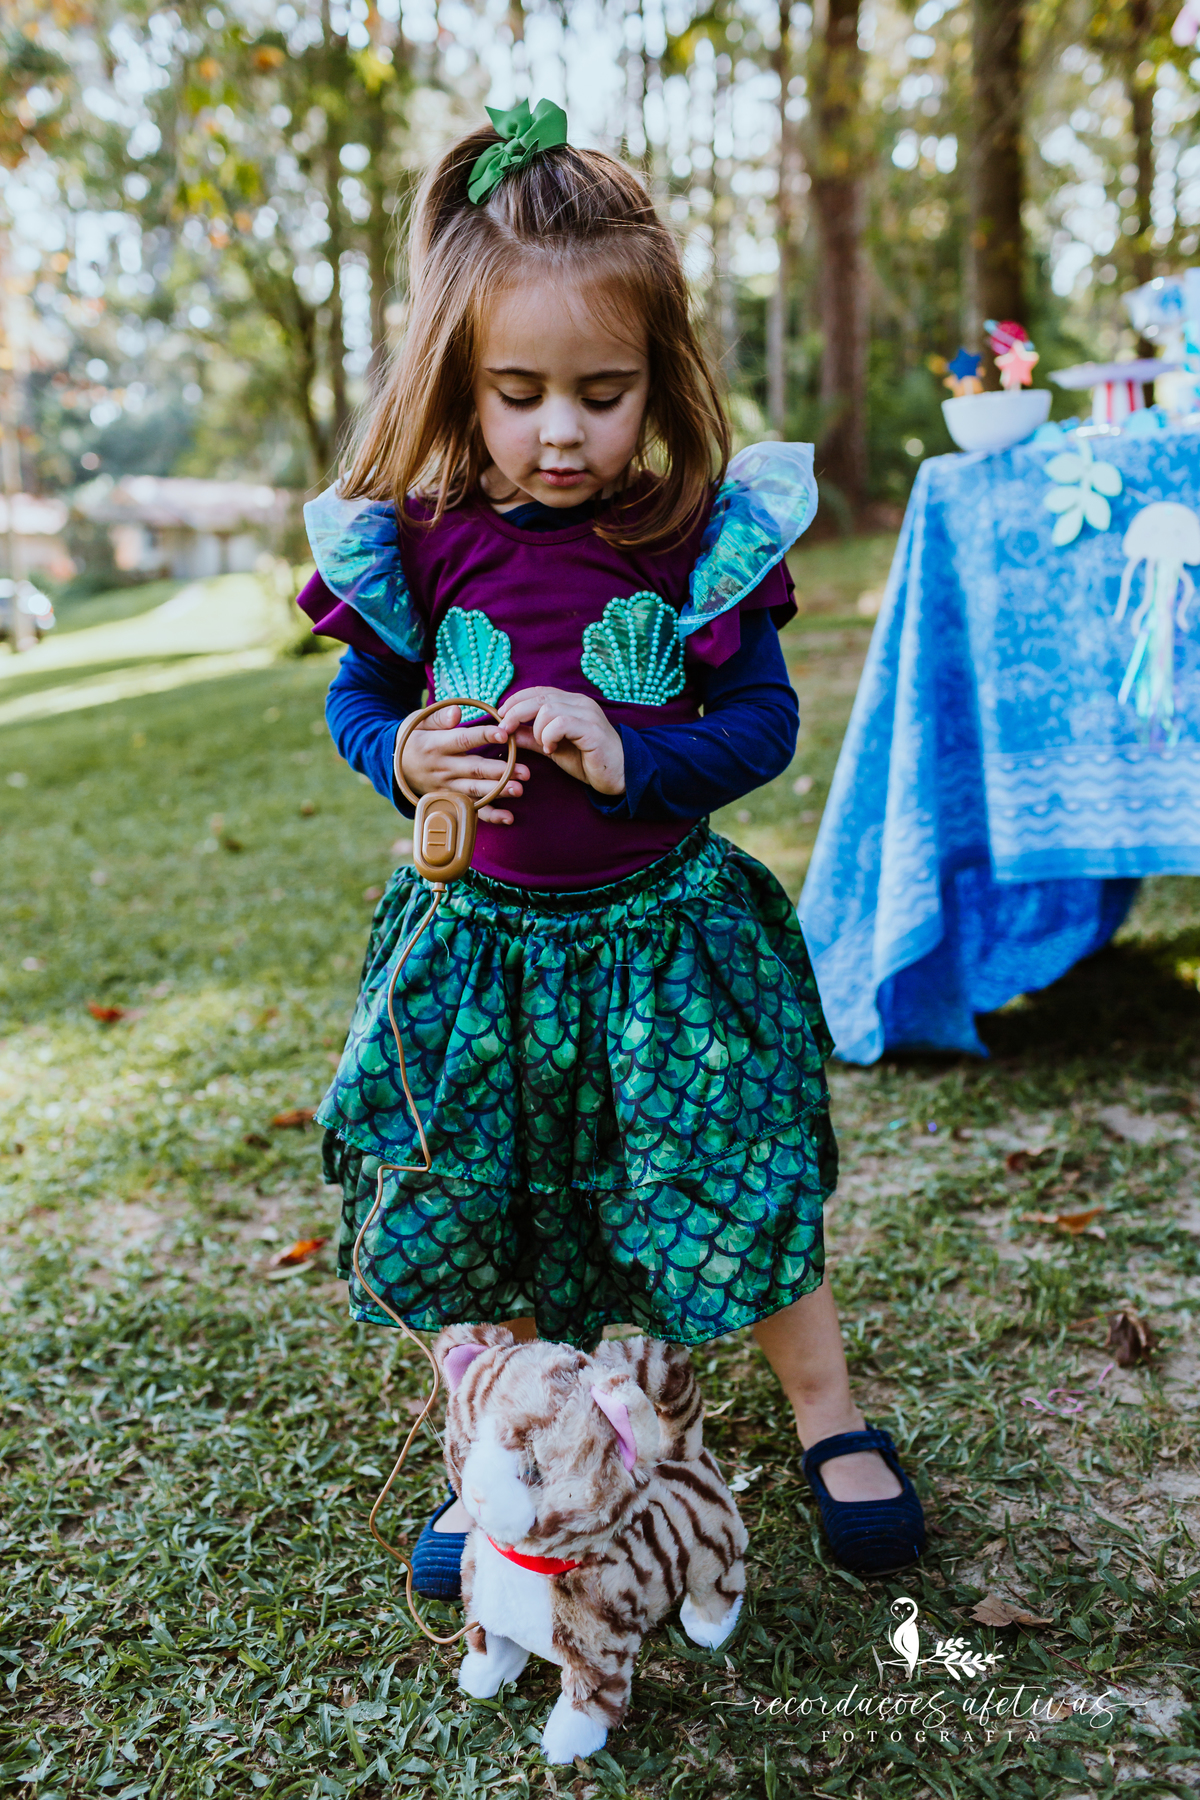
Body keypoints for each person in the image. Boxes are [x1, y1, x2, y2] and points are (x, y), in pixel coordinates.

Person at [297, 100, 925, 1600]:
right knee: (487, 1199)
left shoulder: (693, 537)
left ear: (658, 377)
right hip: (482, 953)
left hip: (663, 941)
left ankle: (829, 1411)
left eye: (602, 389)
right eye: (518, 393)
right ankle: (498, 1452)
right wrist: (401, 750)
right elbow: (358, 694)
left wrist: (635, 751)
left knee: (730, 1172)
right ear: (464, 379)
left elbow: (761, 730)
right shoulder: (421, 533)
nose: (563, 429)